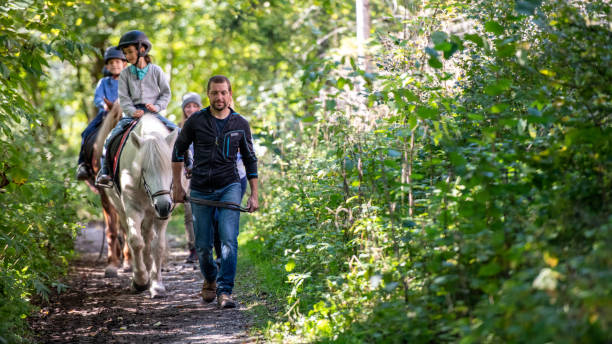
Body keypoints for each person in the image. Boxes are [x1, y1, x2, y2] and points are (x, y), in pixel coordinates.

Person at [172, 75, 259, 309]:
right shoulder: (195, 121)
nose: (219, 97)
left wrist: (254, 194)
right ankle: (210, 277)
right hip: (200, 187)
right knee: (202, 245)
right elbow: (178, 152)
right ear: (208, 95)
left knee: (229, 239)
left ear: (230, 94)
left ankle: (225, 291)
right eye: (214, 93)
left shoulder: (240, 123)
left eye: (223, 92)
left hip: (230, 185)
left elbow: (250, 160)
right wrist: (178, 187)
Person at [96, 30, 177, 187]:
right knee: (111, 137)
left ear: (142, 50)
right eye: (126, 53)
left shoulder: (156, 71)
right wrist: (132, 111)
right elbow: (124, 97)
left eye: (130, 52)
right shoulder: (125, 73)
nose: (128, 56)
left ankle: (188, 164)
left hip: (153, 113)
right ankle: (106, 171)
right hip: (132, 114)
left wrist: (157, 106)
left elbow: (166, 94)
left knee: (178, 132)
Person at [76, 47, 127, 180]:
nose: (114, 65)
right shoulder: (103, 82)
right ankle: (83, 164)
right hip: (105, 115)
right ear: (107, 66)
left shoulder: (128, 81)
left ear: (124, 64)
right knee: (86, 133)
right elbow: (98, 98)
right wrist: (104, 105)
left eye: (117, 62)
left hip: (125, 114)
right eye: (111, 63)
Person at [180, 92, 201, 263]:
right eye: (188, 106)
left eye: (195, 106)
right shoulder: (179, 128)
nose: (191, 109)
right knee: (189, 214)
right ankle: (193, 248)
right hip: (187, 177)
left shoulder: (207, 124)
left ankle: (208, 248)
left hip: (205, 174)